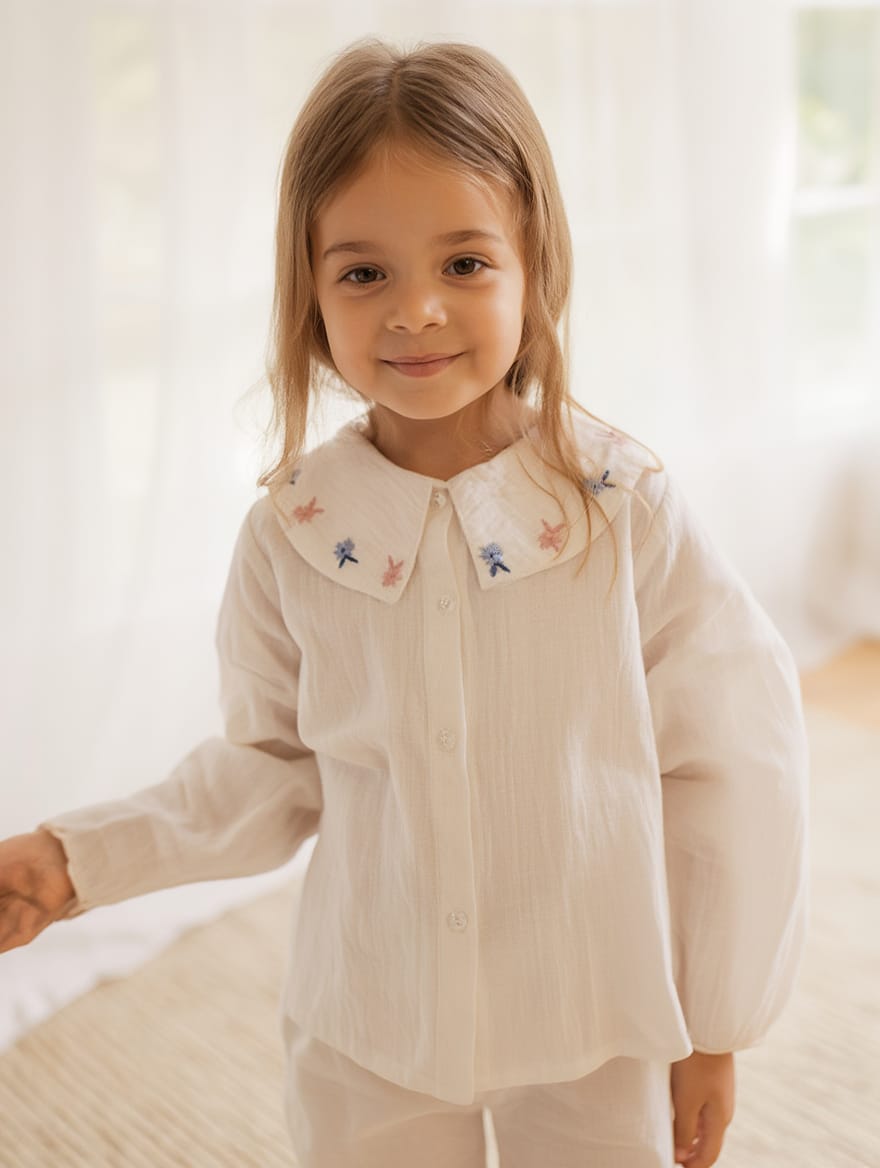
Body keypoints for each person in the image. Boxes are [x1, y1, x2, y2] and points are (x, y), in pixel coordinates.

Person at [0, 38, 809, 1168]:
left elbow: (735, 763)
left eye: (464, 263)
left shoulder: (623, 511)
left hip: (593, 1016)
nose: (416, 310)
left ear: (534, 264)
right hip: (370, 1024)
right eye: (364, 273)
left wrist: (715, 1021)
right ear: (310, 293)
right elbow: (269, 772)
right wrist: (77, 857)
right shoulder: (292, 533)